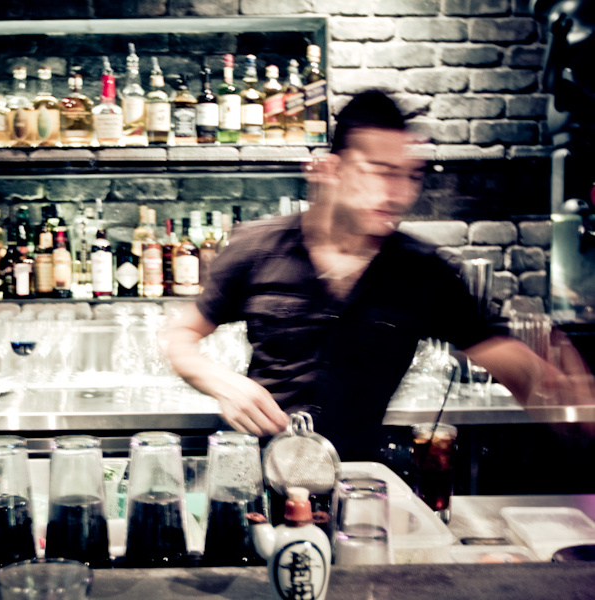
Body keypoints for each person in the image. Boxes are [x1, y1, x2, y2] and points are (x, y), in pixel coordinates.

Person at [163, 89, 595, 461]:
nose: (398, 194)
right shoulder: (257, 247)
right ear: (330, 170)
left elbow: (508, 359)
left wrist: (567, 396)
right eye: (380, 173)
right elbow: (180, 337)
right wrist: (222, 382)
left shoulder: (423, 272)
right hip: (254, 475)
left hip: (356, 485)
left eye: (410, 176)